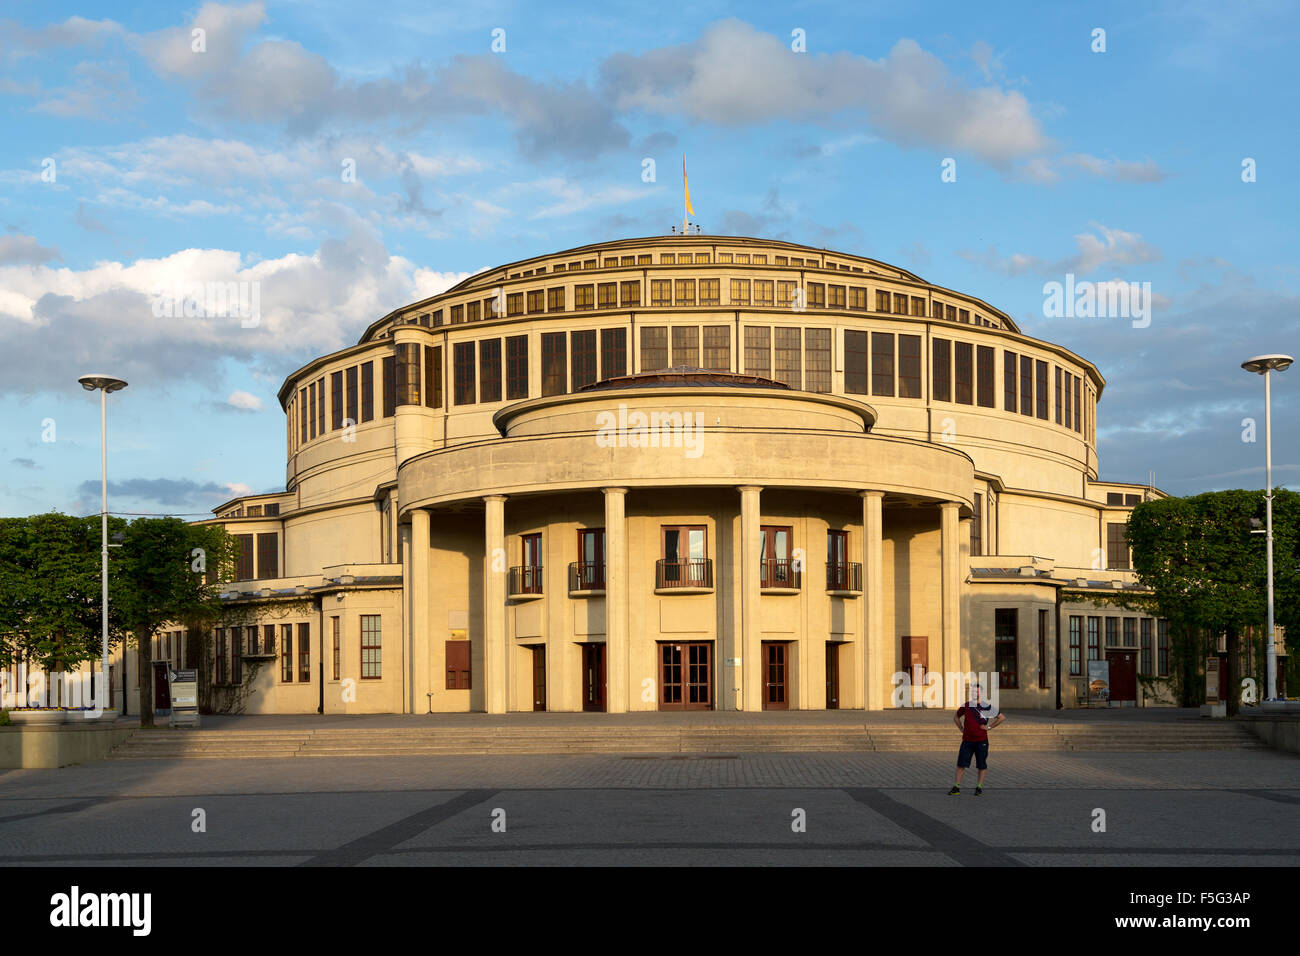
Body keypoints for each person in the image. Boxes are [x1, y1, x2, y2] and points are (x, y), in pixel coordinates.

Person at [948, 683, 1004, 796]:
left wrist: (989, 727)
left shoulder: (986, 706)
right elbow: (956, 717)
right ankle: (956, 787)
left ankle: (979, 788)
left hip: (981, 741)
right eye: (974, 691)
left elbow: (1002, 717)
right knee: (961, 764)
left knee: (981, 765)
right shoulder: (966, 706)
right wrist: (961, 728)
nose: (975, 693)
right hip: (967, 741)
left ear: (981, 693)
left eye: (978, 691)